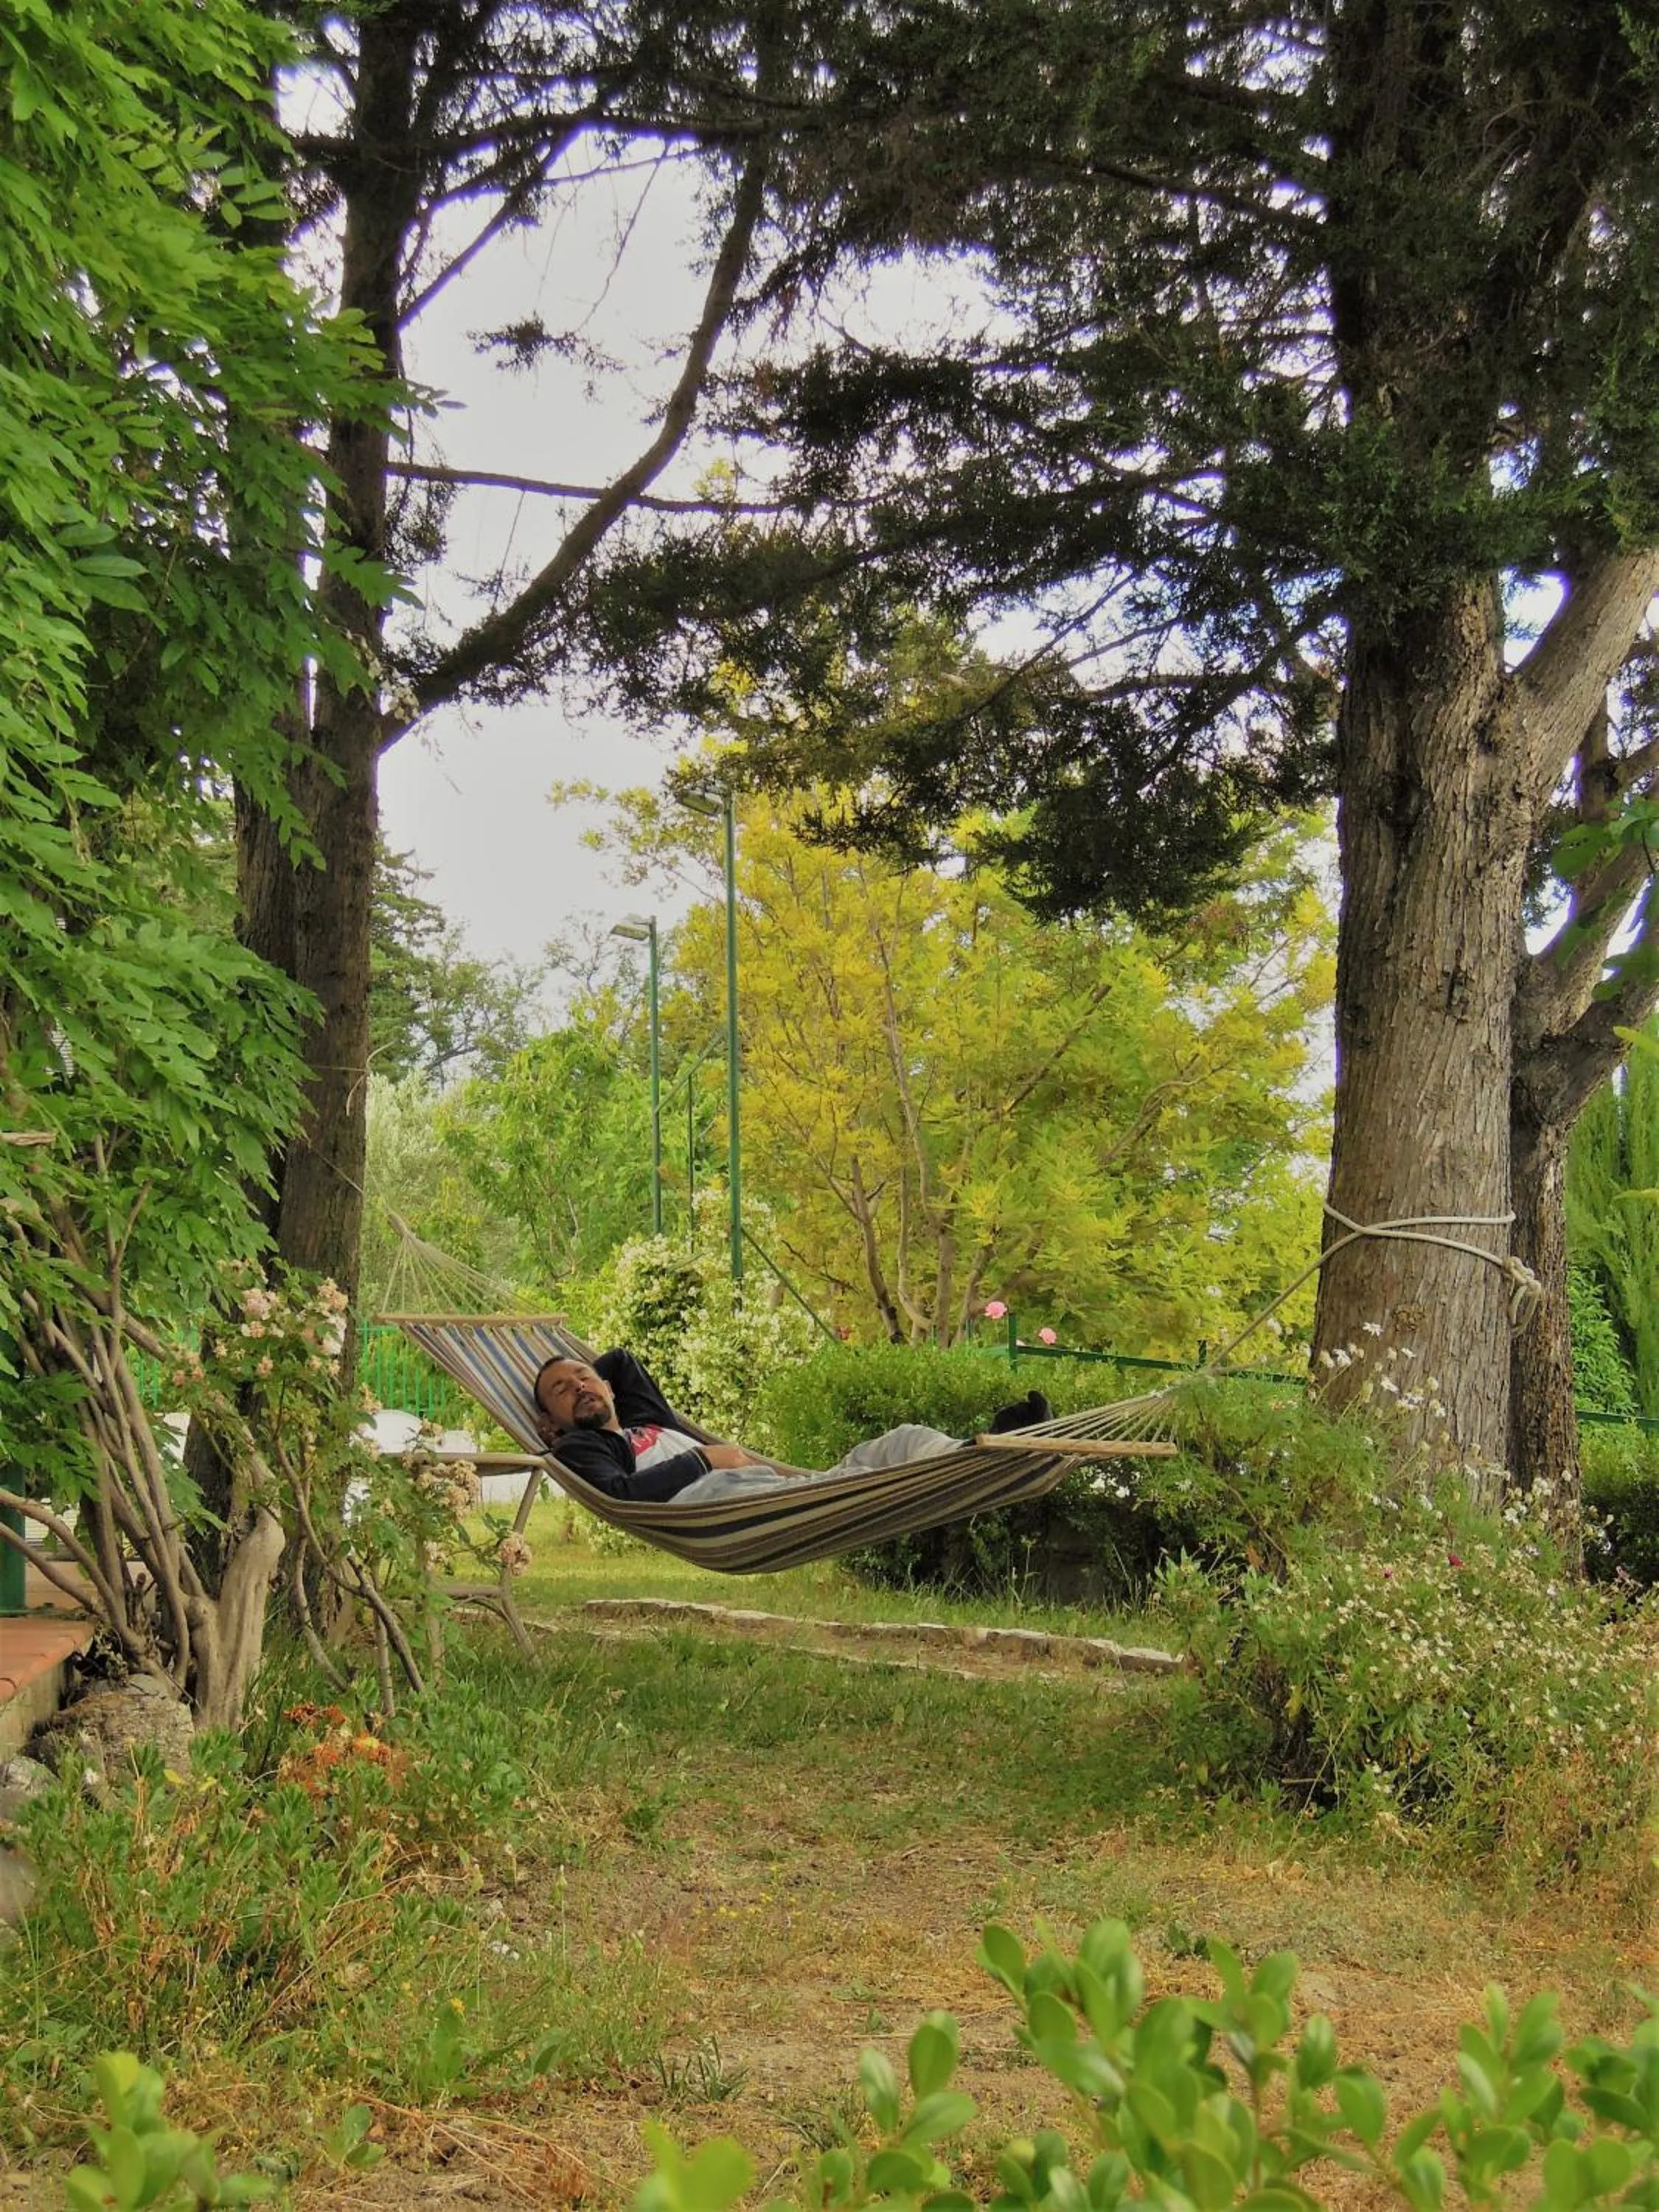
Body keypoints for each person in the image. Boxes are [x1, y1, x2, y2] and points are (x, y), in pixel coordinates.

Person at [529, 1346, 1051, 1504]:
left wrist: (591, 1377)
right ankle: (990, 1460)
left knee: (904, 1440)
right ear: (551, 1418)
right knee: (850, 1484)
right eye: (561, 1391)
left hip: (773, 1488)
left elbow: (619, 1361)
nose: (579, 1387)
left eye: (584, 1378)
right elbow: (622, 1494)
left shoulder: (646, 1417)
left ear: (611, 1389)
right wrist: (704, 1458)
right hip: (713, 1502)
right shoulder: (582, 1449)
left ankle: (984, 1450)